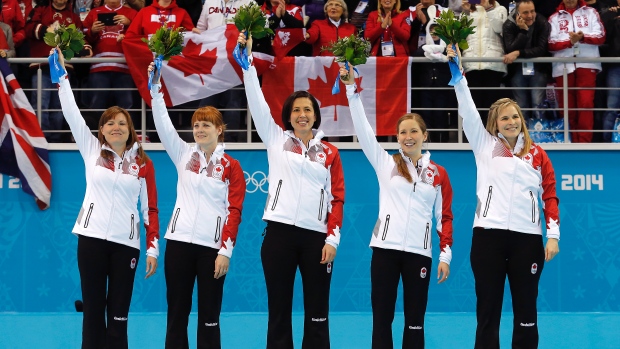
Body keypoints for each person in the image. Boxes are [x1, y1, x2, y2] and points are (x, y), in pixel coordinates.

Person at [447, 45, 560, 349]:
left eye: (514, 117)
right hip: (488, 238)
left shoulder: (538, 154)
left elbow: (550, 196)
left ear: (521, 119)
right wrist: (457, 73)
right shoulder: (485, 146)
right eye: (503, 119)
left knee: (526, 313)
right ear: (495, 124)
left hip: (527, 239)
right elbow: (468, 109)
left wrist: (553, 236)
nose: (510, 122)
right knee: (488, 313)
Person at [238, 32, 345, 349]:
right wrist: (247, 68)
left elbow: (337, 198)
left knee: (317, 313)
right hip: (279, 235)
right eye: (297, 109)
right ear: (289, 115)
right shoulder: (276, 140)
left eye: (308, 110)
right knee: (279, 312)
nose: (302, 114)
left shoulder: (330, 153)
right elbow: (256, 102)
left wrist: (332, 239)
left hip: (317, 239)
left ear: (315, 115)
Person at [340, 64, 454, 349]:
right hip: (385, 251)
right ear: (398, 137)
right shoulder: (386, 164)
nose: (408, 136)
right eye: (402, 132)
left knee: (415, 320)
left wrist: (445, 254)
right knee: (382, 318)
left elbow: (445, 217)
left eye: (414, 131)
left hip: (420, 253)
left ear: (424, 135)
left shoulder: (438, 173)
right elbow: (364, 131)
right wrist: (351, 89)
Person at [54, 47, 160, 349]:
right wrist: (61, 77)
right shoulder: (92, 151)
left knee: (119, 315)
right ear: (101, 130)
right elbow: (72, 113)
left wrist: (153, 249)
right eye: (110, 123)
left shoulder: (143, 164)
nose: (116, 127)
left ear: (131, 132)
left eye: (122, 123)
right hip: (90, 240)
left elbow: (149, 209)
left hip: (126, 245)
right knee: (93, 313)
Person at [148, 61, 246, 349]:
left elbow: (234, 211)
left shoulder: (231, 166)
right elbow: (163, 123)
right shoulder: (183, 155)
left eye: (206, 125)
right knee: (176, 314)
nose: (199, 129)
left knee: (209, 316)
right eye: (196, 125)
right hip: (178, 244)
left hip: (211, 249)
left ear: (219, 130)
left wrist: (225, 251)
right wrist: (155, 89)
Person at [25, 0, 87, 142]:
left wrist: (85, 49)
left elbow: (80, 40)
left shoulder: (74, 17)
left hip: (64, 68)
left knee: (60, 105)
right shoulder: (41, 10)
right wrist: (47, 30)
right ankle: (42, 140)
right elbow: (28, 28)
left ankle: (56, 139)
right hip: (41, 66)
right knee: (41, 103)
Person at [548, 0, 605, 143]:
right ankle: (569, 142)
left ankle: (584, 144)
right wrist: (570, 42)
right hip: (563, 67)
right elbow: (550, 44)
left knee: (586, 104)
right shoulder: (554, 18)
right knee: (567, 108)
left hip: (586, 64)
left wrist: (582, 38)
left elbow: (601, 36)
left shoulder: (591, 12)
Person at [82, 0, 137, 119]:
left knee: (126, 107)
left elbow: (141, 35)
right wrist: (92, 31)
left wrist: (129, 23)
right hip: (99, 67)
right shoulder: (94, 12)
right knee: (97, 106)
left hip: (124, 68)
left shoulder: (132, 13)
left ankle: (128, 137)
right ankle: (94, 137)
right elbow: (82, 35)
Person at [502, 0, 552, 119]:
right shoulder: (509, 24)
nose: (530, 16)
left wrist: (519, 53)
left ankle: (539, 136)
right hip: (517, 69)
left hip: (538, 68)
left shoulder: (542, 22)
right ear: (517, 13)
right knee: (521, 107)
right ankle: (522, 136)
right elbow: (510, 48)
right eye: (525, 13)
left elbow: (541, 49)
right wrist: (523, 31)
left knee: (538, 104)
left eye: (532, 11)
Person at [460, 0, 507, 124]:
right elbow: (460, 36)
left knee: (491, 107)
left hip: (493, 63)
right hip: (471, 63)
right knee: (474, 106)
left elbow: (500, 29)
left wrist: (488, 9)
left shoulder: (500, 9)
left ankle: (491, 138)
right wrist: (465, 13)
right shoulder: (468, 12)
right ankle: (476, 139)